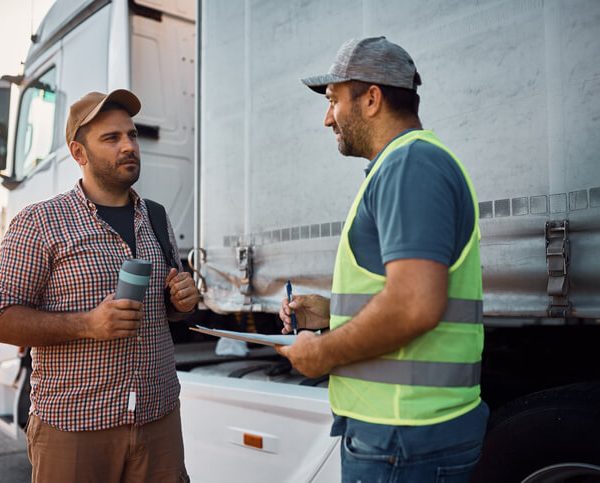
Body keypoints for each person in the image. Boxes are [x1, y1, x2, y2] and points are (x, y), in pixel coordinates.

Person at [278, 37, 488, 482]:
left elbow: (414, 306)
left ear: (372, 98)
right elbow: (414, 296)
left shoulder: (410, 164)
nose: (326, 117)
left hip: (404, 438)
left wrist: (323, 354)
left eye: (333, 100)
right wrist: (332, 314)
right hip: (409, 433)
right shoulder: (408, 163)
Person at [0, 89, 199, 482]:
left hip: (157, 421)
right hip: (74, 430)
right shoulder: (39, 222)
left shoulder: (156, 216)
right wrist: (87, 325)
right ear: (79, 153)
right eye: (111, 138)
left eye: (132, 135)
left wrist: (182, 300)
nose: (128, 146)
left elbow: (171, 311)